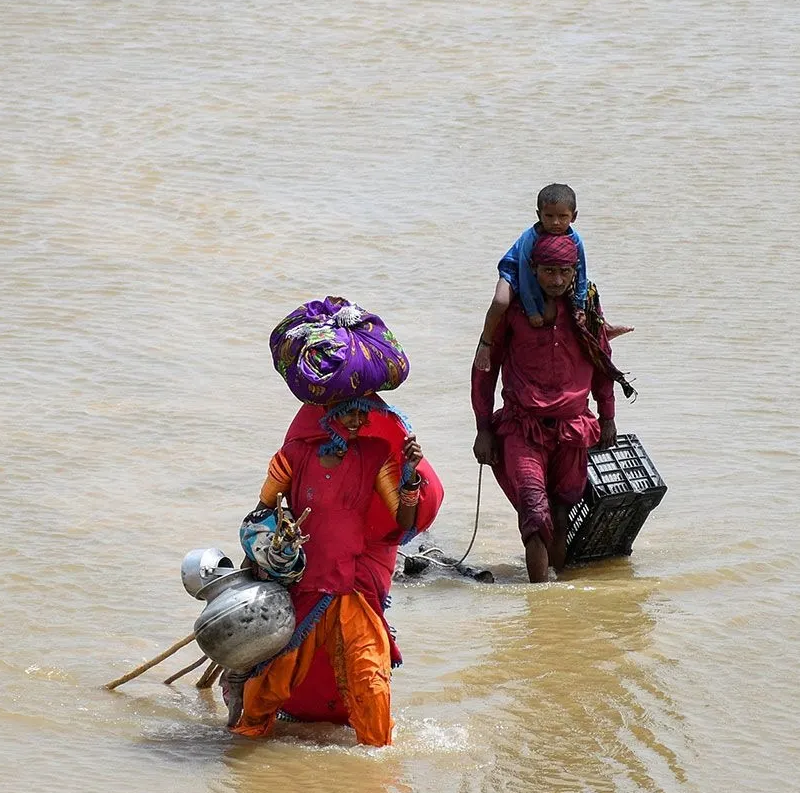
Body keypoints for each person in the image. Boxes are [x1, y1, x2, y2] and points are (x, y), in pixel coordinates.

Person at [228, 396, 432, 747]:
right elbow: (258, 518)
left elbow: (403, 520)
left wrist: (410, 476)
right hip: (302, 590)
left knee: (371, 680)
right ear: (325, 413)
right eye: (346, 412)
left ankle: (378, 768)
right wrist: (255, 570)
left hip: (350, 591)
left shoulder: (375, 456)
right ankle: (241, 751)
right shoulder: (293, 457)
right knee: (269, 686)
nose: (355, 421)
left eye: (361, 413)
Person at [472, 232, 625, 583]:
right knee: (534, 512)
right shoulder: (513, 310)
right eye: (548, 272)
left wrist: (608, 416)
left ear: (576, 271)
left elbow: (602, 361)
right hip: (522, 427)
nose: (557, 281)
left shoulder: (585, 309)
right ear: (533, 269)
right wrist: (482, 427)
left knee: (561, 512)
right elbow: (484, 369)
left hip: (573, 427)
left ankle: (559, 597)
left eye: (565, 272)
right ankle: (539, 603)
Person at [473, 183, 631, 373]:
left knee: (590, 292)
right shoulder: (530, 238)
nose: (556, 222)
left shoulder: (576, 239)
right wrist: (532, 311)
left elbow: (581, 270)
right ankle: (486, 342)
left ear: (574, 216)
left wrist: (580, 305)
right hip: (517, 270)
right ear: (539, 215)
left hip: (553, 271)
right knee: (500, 301)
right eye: (549, 216)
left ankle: (604, 329)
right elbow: (524, 273)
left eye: (562, 216)